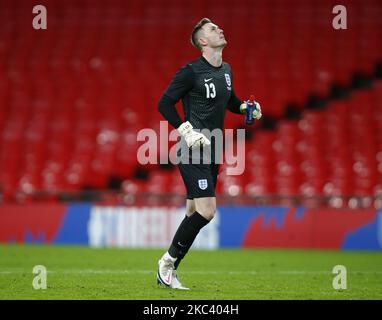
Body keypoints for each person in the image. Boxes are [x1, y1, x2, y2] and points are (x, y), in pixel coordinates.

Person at [157, 18, 262, 290]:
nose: (220, 29)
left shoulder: (226, 70)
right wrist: (184, 129)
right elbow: (164, 103)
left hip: (214, 151)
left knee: (193, 211)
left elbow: (230, 101)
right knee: (207, 210)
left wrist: (246, 108)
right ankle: (166, 263)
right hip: (192, 149)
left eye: (219, 27)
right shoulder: (190, 72)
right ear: (203, 41)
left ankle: (169, 270)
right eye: (213, 29)